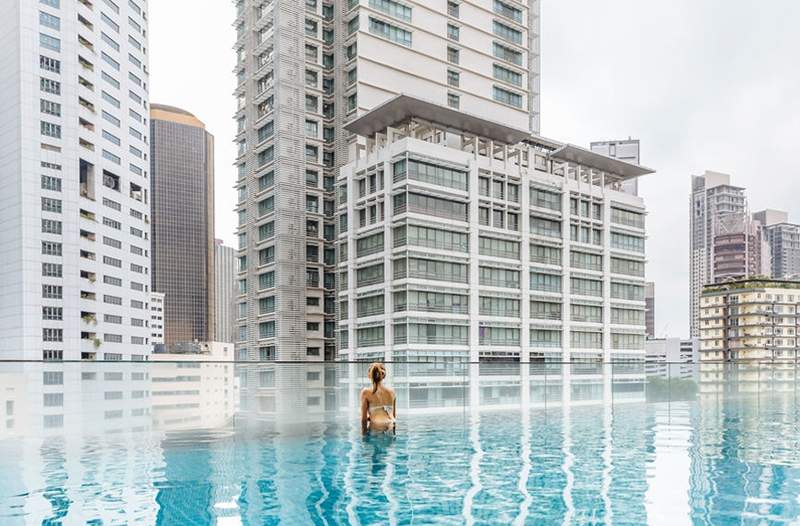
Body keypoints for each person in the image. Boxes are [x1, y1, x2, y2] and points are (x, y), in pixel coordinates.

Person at [360, 362, 396, 434]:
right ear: (384, 375)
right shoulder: (392, 392)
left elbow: (363, 419)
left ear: (369, 375)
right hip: (392, 424)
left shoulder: (366, 392)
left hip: (377, 426)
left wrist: (363, 437)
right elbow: (393, 415)